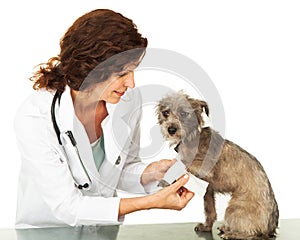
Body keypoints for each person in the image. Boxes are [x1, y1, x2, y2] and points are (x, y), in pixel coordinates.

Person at [14, 9, 194, 228]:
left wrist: (151, 173)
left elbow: (120, 170)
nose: (132, 83)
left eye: (133, 71)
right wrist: (149, 202)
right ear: (91, 68)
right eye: (122, 74)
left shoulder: (128, 102)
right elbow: (67, 206)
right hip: (47, 232)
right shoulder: (36, 116)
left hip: (102, 233)